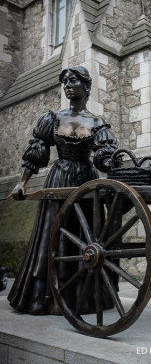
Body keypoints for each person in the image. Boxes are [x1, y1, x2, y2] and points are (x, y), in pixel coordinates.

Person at [8, 66, 120, 314]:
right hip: (58, 179)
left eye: (74, 81)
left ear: (86, 87)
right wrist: (23, 182)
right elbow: (36, 152)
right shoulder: (52, 119)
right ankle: (48, 298)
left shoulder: (96, 122)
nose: (68, 85)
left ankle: (84, 297)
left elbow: (103, 156)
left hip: (85, 182)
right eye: (65, 82)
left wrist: (109, 160)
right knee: (54, 234)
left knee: (84, 235)